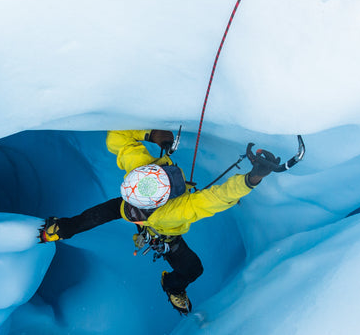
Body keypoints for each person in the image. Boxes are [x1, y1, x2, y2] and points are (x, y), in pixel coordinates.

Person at [38, 129, 281, 315]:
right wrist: (252, 179)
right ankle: (63, 228)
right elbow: (214, 199)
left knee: (192, 268)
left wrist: (252, 178)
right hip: (158, 225)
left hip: (144, 220)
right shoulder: (159, 192)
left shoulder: (160, 192)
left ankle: (60, 229)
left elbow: (117, 139)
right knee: (192, 268)